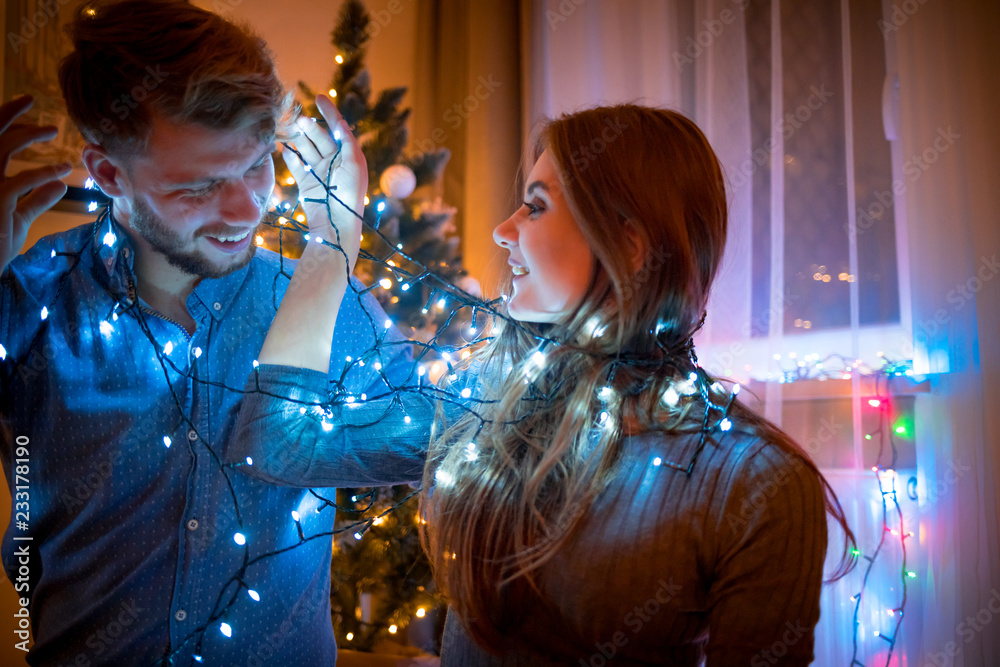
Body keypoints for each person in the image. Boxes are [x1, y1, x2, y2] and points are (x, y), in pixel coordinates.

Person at [232, 104, 857, 664]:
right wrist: (331, 239)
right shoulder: (483, 405)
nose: (504, 230)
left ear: (629, 244)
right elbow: (278, 445)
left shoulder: (753, 480)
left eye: (536, 205)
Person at [0, 1, 427, 664]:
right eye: (199, 187)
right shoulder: (30, 298)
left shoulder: (325, 298)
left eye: (257, 166)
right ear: (109, 174)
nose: (247, 207)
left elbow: (439, 452)